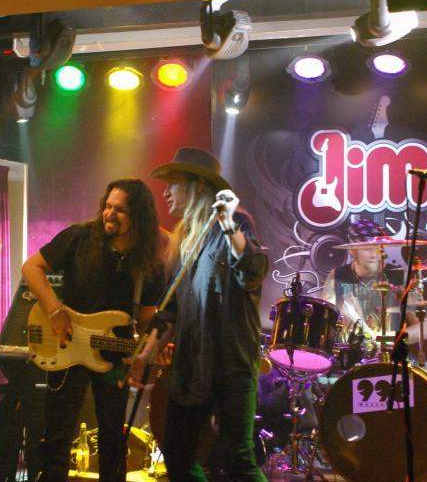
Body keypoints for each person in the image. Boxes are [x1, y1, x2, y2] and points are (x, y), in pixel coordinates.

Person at [130, 147, 270, 482]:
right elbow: (170, 309)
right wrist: (145, 354)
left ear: (197, 186)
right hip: (191, 365)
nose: (166, 192)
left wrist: (227, 222)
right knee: (177, 455)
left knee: (237, 458)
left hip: (230, 362)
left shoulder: (234, 224)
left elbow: (252, 270)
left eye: (174, 184)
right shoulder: (183, 241)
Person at [22, 178, 165, 482]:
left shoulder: (148, 261)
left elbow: (146, 318)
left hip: (114, 357)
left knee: (113, 438)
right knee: (57, 436)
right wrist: (55, 309)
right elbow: (31, 268)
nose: (109, 214)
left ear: (138, 216)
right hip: (67, 345)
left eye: (120, 210)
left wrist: (149, 349)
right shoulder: (79, 237)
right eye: (107, 206)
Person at [320, 219, 427, 349]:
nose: (374, 254)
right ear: (352, 250)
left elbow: (423, 328)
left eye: (378, 247)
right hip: (350, 354)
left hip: (390, 355)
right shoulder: (337, 276)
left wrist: (389, 339)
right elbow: (324, 322)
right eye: (367, 248)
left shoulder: (398, 276)